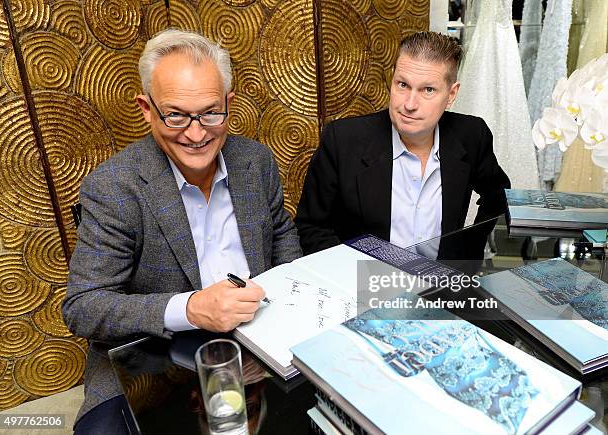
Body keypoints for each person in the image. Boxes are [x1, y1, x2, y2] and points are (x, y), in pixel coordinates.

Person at [63, 29, 301, 433]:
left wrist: (291, 298)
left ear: (229, 103)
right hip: (154, 358)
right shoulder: (114, 186)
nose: (196, 134)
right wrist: (190, 308)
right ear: (146, 108)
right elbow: (83, 307)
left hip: (261, 341)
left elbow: (281, 234)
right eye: (175, 115)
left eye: (211, 112)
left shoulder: (256, 161)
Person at [295, 31, 511, 257]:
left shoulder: (472, 135)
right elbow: (311, 228)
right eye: (403, 85)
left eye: (428, 90)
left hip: (442, 283)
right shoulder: (343, 140)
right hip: (365, 283)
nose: (409, 104)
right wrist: (356, 279)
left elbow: (498, 196)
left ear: (451, 94)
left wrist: (468, 252)